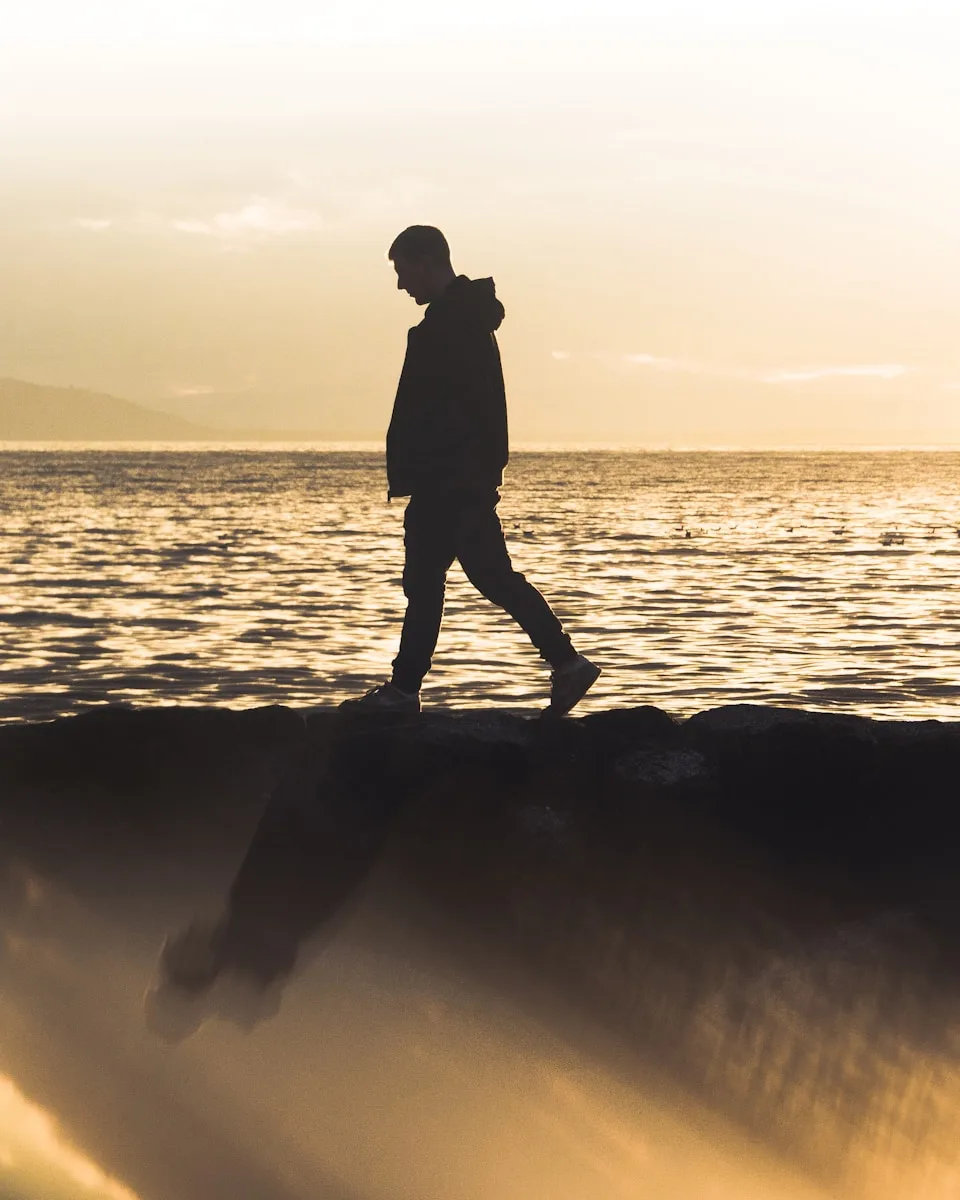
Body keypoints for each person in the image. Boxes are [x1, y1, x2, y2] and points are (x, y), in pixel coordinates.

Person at [343, 225, 599, 716]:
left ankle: (406, 690)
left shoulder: (453, 326)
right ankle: (563, 663)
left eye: (403, 272)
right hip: (456, 479)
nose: (401, 286)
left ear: (425, 262)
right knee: (468, 579)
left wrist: (452, 474)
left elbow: (461, 410)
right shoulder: (458, 321)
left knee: (442, 582)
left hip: (451, 481)